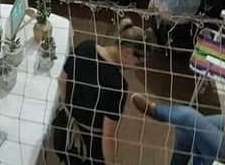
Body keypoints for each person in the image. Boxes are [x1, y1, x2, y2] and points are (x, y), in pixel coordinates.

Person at [53, 18, 151, 165]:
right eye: (138, 63)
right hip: (88, 148)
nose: (137, 68)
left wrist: (72, 109)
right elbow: (108, 136)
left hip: (63, 132)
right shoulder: (118, 85)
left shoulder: (86, 46)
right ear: (126, 52)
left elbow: (61, 80)